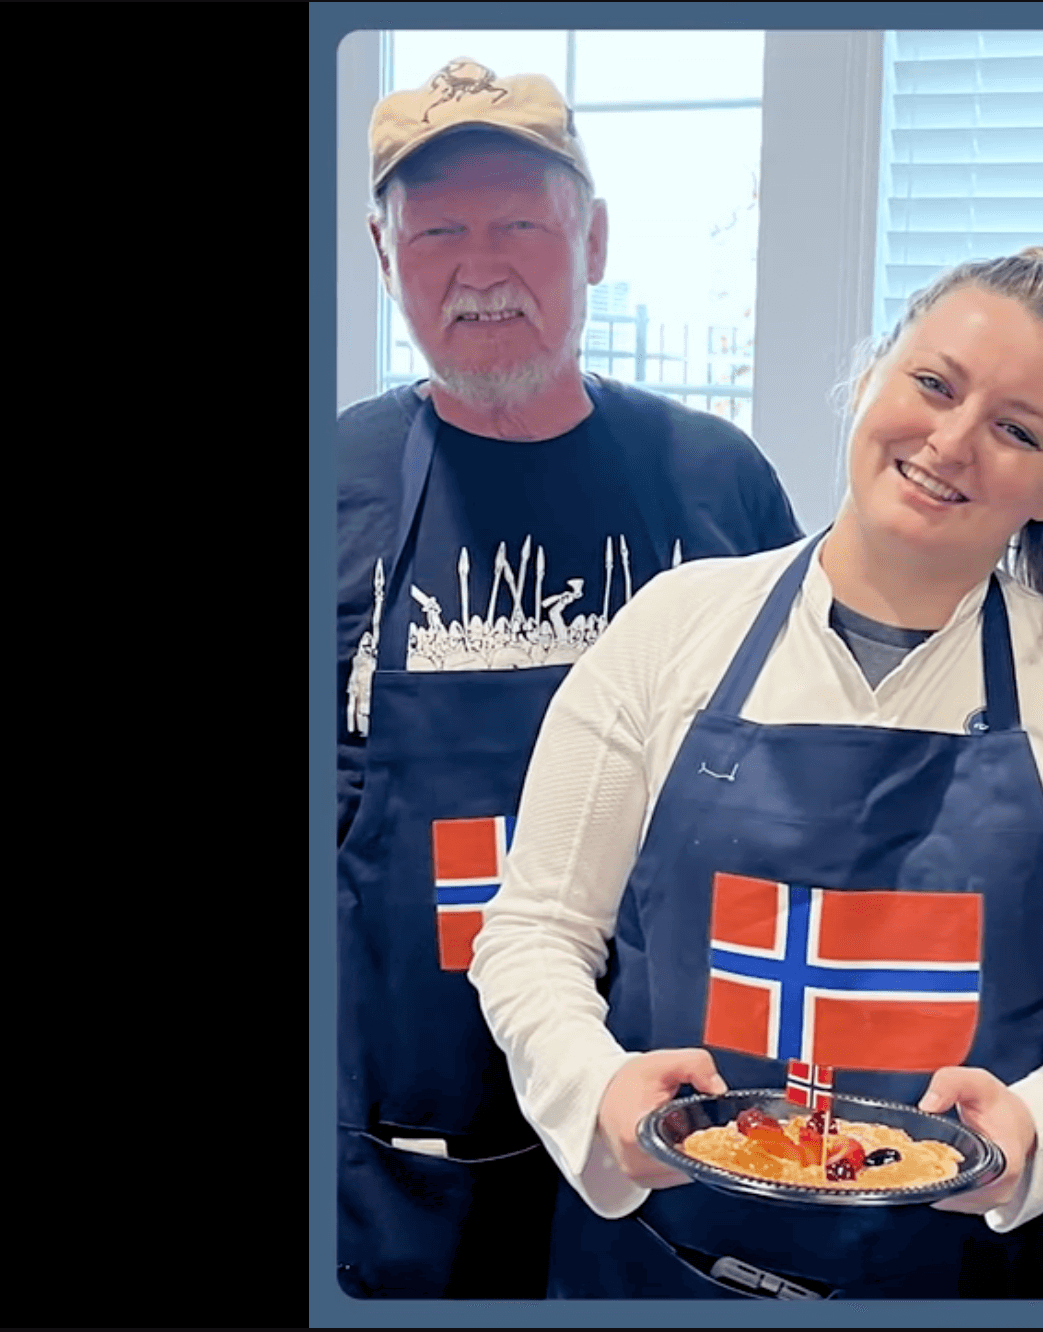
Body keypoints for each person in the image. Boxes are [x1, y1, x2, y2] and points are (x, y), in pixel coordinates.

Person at [468, 248, 1043, 1299]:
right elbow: (535, 931)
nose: (952, 441)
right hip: (657, 1269)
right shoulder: (671, 630)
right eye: (934, 383)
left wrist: (1035, 1128)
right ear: (870, 375)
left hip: (971, 1282)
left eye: (1017, 430)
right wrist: (597, 1094)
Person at [335, 60, 802, 1299]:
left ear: (592, 241)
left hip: (671, 1099)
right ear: (383, 257)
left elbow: (798, 781)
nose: (479, 269)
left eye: (519, 226)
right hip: (409, 1126)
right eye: (436, 233)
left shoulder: (719, 482)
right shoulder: (338, 484)